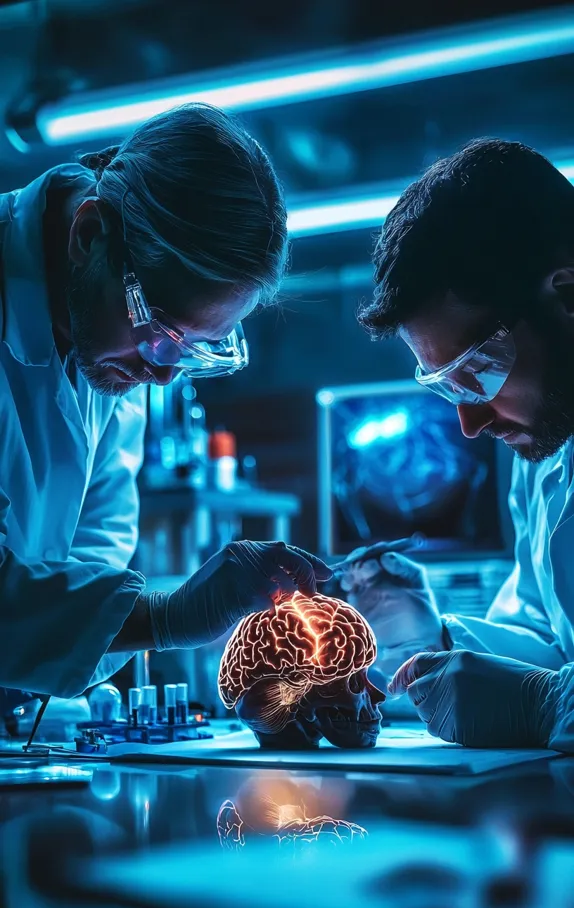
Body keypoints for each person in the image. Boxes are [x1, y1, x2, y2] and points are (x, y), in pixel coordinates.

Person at [0, 102, 331, 712]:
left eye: (195, 350)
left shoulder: (112, 356)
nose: (162, 374)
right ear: (89, 235)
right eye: (160, 331)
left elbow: (94, 549)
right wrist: (168, 616)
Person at [341, 138, 574, 751]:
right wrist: (436, 639)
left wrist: (546, 705)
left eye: (478, 370)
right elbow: (553, 642)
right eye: (448, 387)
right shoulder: (547, 445)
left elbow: (549, 687)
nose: (470, 422)